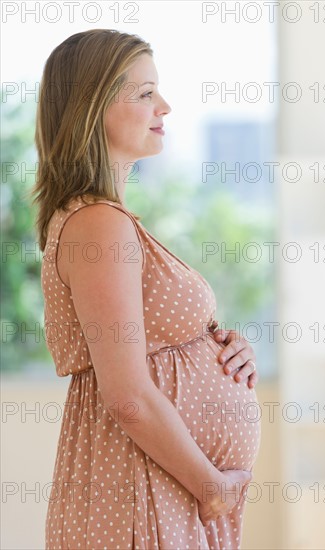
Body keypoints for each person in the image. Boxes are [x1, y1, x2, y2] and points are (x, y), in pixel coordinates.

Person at [31, 29, 261, 549]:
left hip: (155, 489)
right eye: (144, 92)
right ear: (92, 108)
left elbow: (151, 350)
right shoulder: (97, 225)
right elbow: (129, 395)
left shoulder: (106, 220)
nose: (165, 105)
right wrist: (214, 488)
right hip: (141, 493)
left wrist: (222, 350)